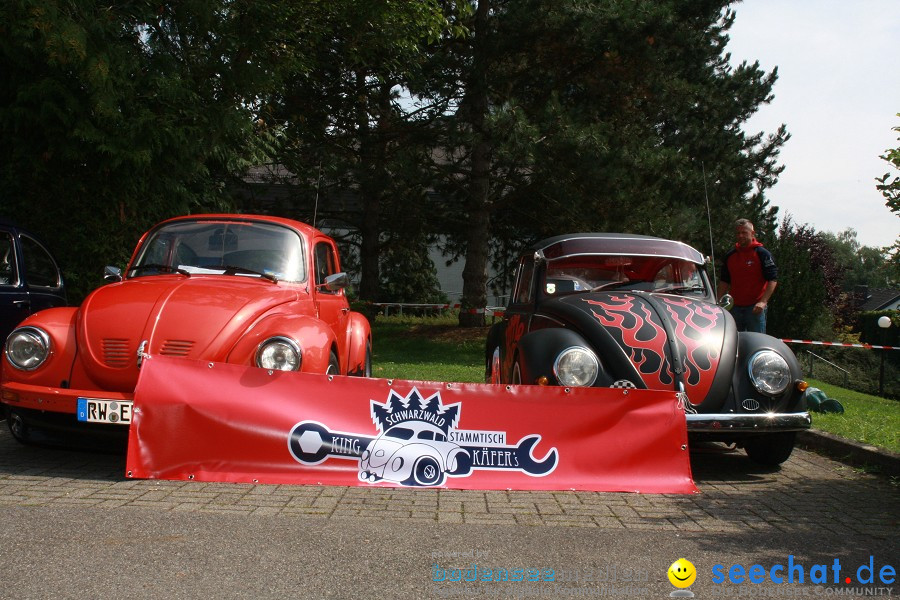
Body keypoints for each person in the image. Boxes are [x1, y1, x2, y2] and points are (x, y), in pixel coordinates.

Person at [717, 218, 777, 333]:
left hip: (755, 309)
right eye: (738, 233)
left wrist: (763, 302)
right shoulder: (730, 255)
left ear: (752, 233)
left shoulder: (762, 254)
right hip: (733, 308)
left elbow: (772, 280)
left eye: (744, 232)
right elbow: (724, 281)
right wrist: (717, 302)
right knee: (733, 342)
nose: (740, 236)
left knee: (756, 342)